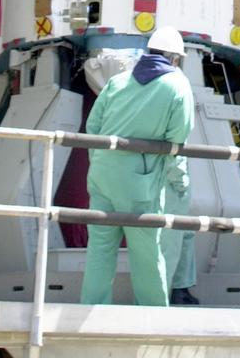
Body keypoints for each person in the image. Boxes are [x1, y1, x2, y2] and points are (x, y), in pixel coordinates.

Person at [80, 25, 194, 307]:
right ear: (175, 58)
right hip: (139, 183)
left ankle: (92, 309)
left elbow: (93, 126)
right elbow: (177, 140)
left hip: (102, 175)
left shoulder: (118, 81)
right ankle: (152, 316)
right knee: (146, 252)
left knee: (100, 249)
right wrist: (180, 182)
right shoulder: (177, 85)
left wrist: (100, 162)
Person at [163, 155, 199, 305]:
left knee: (183, 233)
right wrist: (181, 182)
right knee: (179, 235)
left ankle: (180, 288)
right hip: (171, 181)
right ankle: (177, 289)